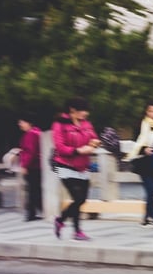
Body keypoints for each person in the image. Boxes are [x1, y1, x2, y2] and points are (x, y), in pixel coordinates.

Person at [51, 97, 100, 241]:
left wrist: (94, 142)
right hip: (64, 166)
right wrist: (78, 151)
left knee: (81, 200)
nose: (86, 113)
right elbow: (60, 147)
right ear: (73, 110)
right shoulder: (59, 124)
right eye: (83, 110)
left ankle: (61, 221)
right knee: (77, 198)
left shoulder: (86, 123)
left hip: (83, 166)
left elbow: (93, 137)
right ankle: (77, 231)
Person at [122, 101, 153, 229]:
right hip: (143, 162)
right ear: (147, 112)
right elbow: (135, 142)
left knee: (152, 191)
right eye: (152, 111)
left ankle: (145, 218)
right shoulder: (140, 124)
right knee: (150, 190)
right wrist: (144, 149)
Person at [17, 116, 43, 221]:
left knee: (32, 190)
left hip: (33, 166)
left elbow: (30, 152)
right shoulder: (38, 133)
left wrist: (24, 165)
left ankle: (31, 214)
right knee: (36, 189)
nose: (20, 124)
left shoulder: (30, 134)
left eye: (21, 122)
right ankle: (37, 211)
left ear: (29, 123)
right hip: (39, 165)